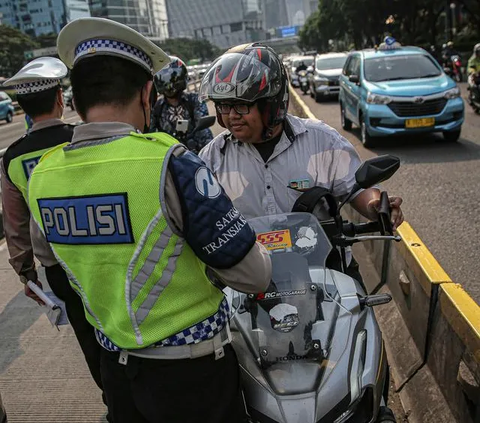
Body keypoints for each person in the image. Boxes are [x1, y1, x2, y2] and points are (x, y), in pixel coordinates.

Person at [27, 18, 271, 423]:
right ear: (146, 94)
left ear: (75, 99)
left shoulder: (42, 175)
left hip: (117, 376)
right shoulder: (170, 162)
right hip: (192, 381)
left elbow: (53, 266)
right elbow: (253, 275)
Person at [198, 43, 404, 279]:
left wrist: (375, 206)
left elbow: (357, 188)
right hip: (249, 287)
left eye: (242, 105)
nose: (232, 115)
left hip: (327, 276)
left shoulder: (321, 140)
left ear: (271, 104)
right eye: (224, 105)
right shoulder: (212, 158)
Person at [1, 57, 110, 419]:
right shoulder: (81, 138)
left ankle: (110, 395)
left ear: (24, 109)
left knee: (84, 331)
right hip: (104, 253)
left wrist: (26, 273)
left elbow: (15, 226)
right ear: (60, 99)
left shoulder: (13, 159)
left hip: (57, 267)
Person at [150, 56, 213, 151]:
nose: (169, 85)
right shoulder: (157, 107)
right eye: (164, 78)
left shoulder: (194, 100)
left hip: (194, 154)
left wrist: (206, 154)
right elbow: (150, 133)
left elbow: (202, 131)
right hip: (168, 155)